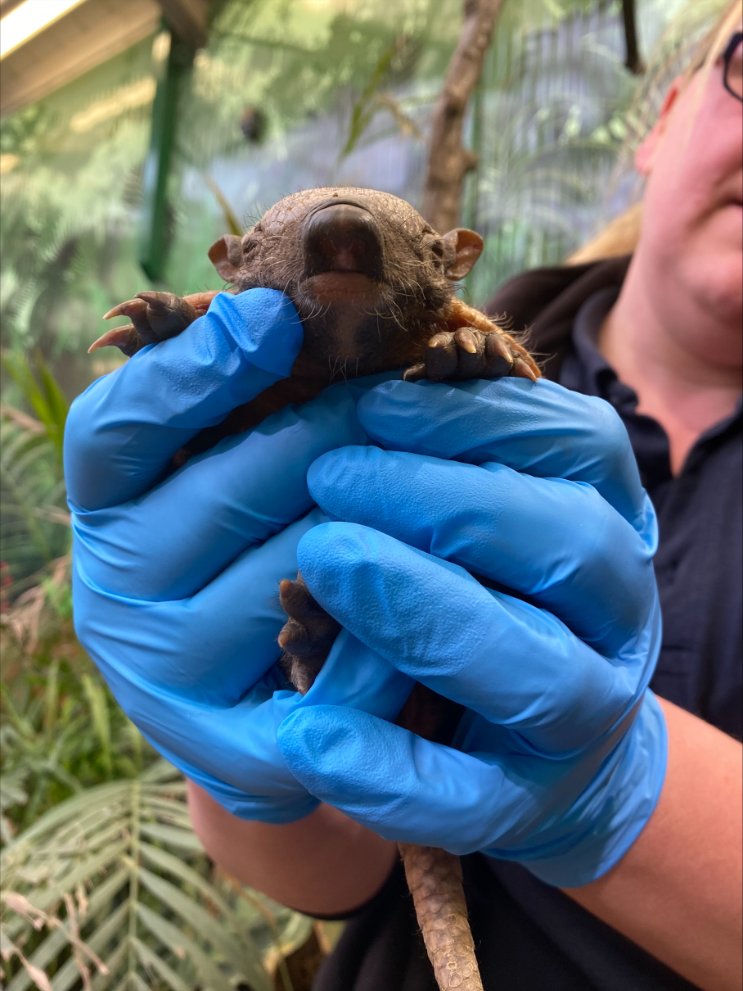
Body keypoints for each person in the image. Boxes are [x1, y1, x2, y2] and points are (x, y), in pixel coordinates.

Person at [64, 4, 741, 990]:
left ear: (443, 264)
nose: (342, 249)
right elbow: (333, 863)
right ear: (663, 113)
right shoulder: (483, 358)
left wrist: (614, 787)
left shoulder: (485, 363)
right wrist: (257, 752)